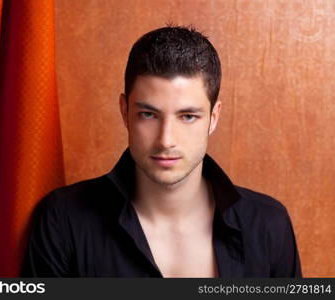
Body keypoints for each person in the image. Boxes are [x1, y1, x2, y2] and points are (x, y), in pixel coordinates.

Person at [21, 26, 302, 277]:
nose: (166, 140)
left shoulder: (268, 224)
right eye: (148, 114)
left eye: (188, 116)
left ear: (213, 118)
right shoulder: (64, 219)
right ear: (125, 112)